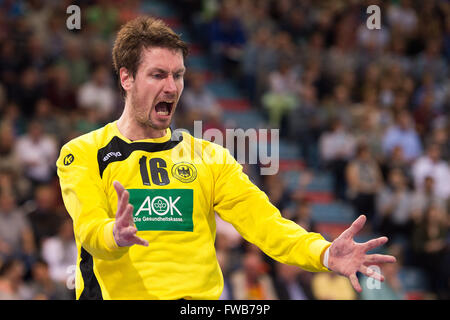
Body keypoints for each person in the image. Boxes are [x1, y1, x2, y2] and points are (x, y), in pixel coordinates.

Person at [56, 16, 395, 300]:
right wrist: (113, 236)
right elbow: (88, 229)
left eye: (178, 75)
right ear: (126, 77)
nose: (172, 87)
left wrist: (322, 253)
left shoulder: (210, 157)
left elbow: (265, 225)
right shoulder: (83, 153)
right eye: (158, 75)